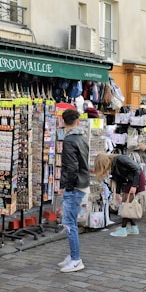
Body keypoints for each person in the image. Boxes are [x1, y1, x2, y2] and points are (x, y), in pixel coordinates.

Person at [57, 108, 90, 273]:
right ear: (77, 121)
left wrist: (67, 187)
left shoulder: (70, 140)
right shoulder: (82, 138)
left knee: (69, 223)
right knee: (70, 222)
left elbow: (72, 167)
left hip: (75, 185)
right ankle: (73, 256)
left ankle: (76, 259)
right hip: (81, 183)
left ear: (63, 122)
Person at [94, 153, 145, 236]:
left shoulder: (120, 159)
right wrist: (117, 193)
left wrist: (134, 186)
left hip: (136, 179)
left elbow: (136, 169)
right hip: (133, 180)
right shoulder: (114, 165)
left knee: (126, 205)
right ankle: (133, 227)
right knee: (127, 205)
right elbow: (119, 179)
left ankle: (123, 228)